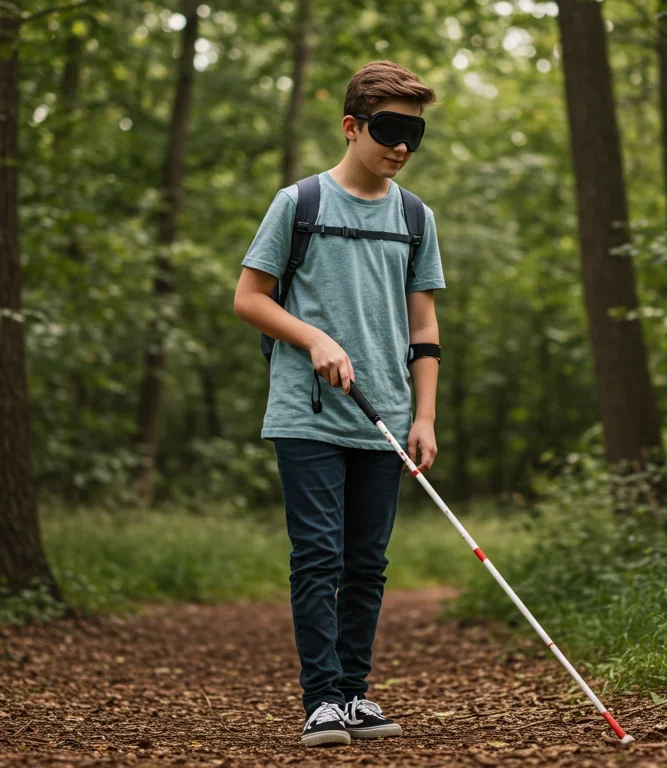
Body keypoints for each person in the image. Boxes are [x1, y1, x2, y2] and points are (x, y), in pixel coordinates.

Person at [232, 60, 445, 748]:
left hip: (384, 415)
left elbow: (424, 329)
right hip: (309, 413)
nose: (402, 146)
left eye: (414, 132)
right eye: (388, 129)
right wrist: (314, 337)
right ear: (352, 127)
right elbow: (249, 298)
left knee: (367, 561)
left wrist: (425, 415)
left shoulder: (416, 217)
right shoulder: (300, 205)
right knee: (318, 555)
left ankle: (354, 694)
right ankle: (321, 699)